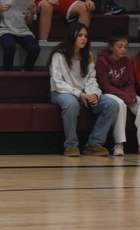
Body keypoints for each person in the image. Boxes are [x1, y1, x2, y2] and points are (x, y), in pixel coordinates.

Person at [48, 22, 119, 157]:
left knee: (112, 104)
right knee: (71, 103)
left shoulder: (88, 55)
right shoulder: (58, 55)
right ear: (71, 36)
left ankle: (94, 144)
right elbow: (57, 82)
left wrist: (94, 94)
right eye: (80, 35)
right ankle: (71, 145)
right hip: (61, 92)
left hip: (84, 92)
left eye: (86, 36)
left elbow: (91, 79)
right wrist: (78, 93)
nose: (83, 39)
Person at [95, 30, 140, 156]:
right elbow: (105, 86)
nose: (123, 50)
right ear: (111, 47)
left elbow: (130, 83)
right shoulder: (102, 61)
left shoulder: (127, 62)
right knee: (120, 104)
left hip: (125, 92)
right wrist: (125, 97)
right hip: (109, 93)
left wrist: (132, 95)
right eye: (120, 47)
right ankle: (119, 144)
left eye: (126, 47)